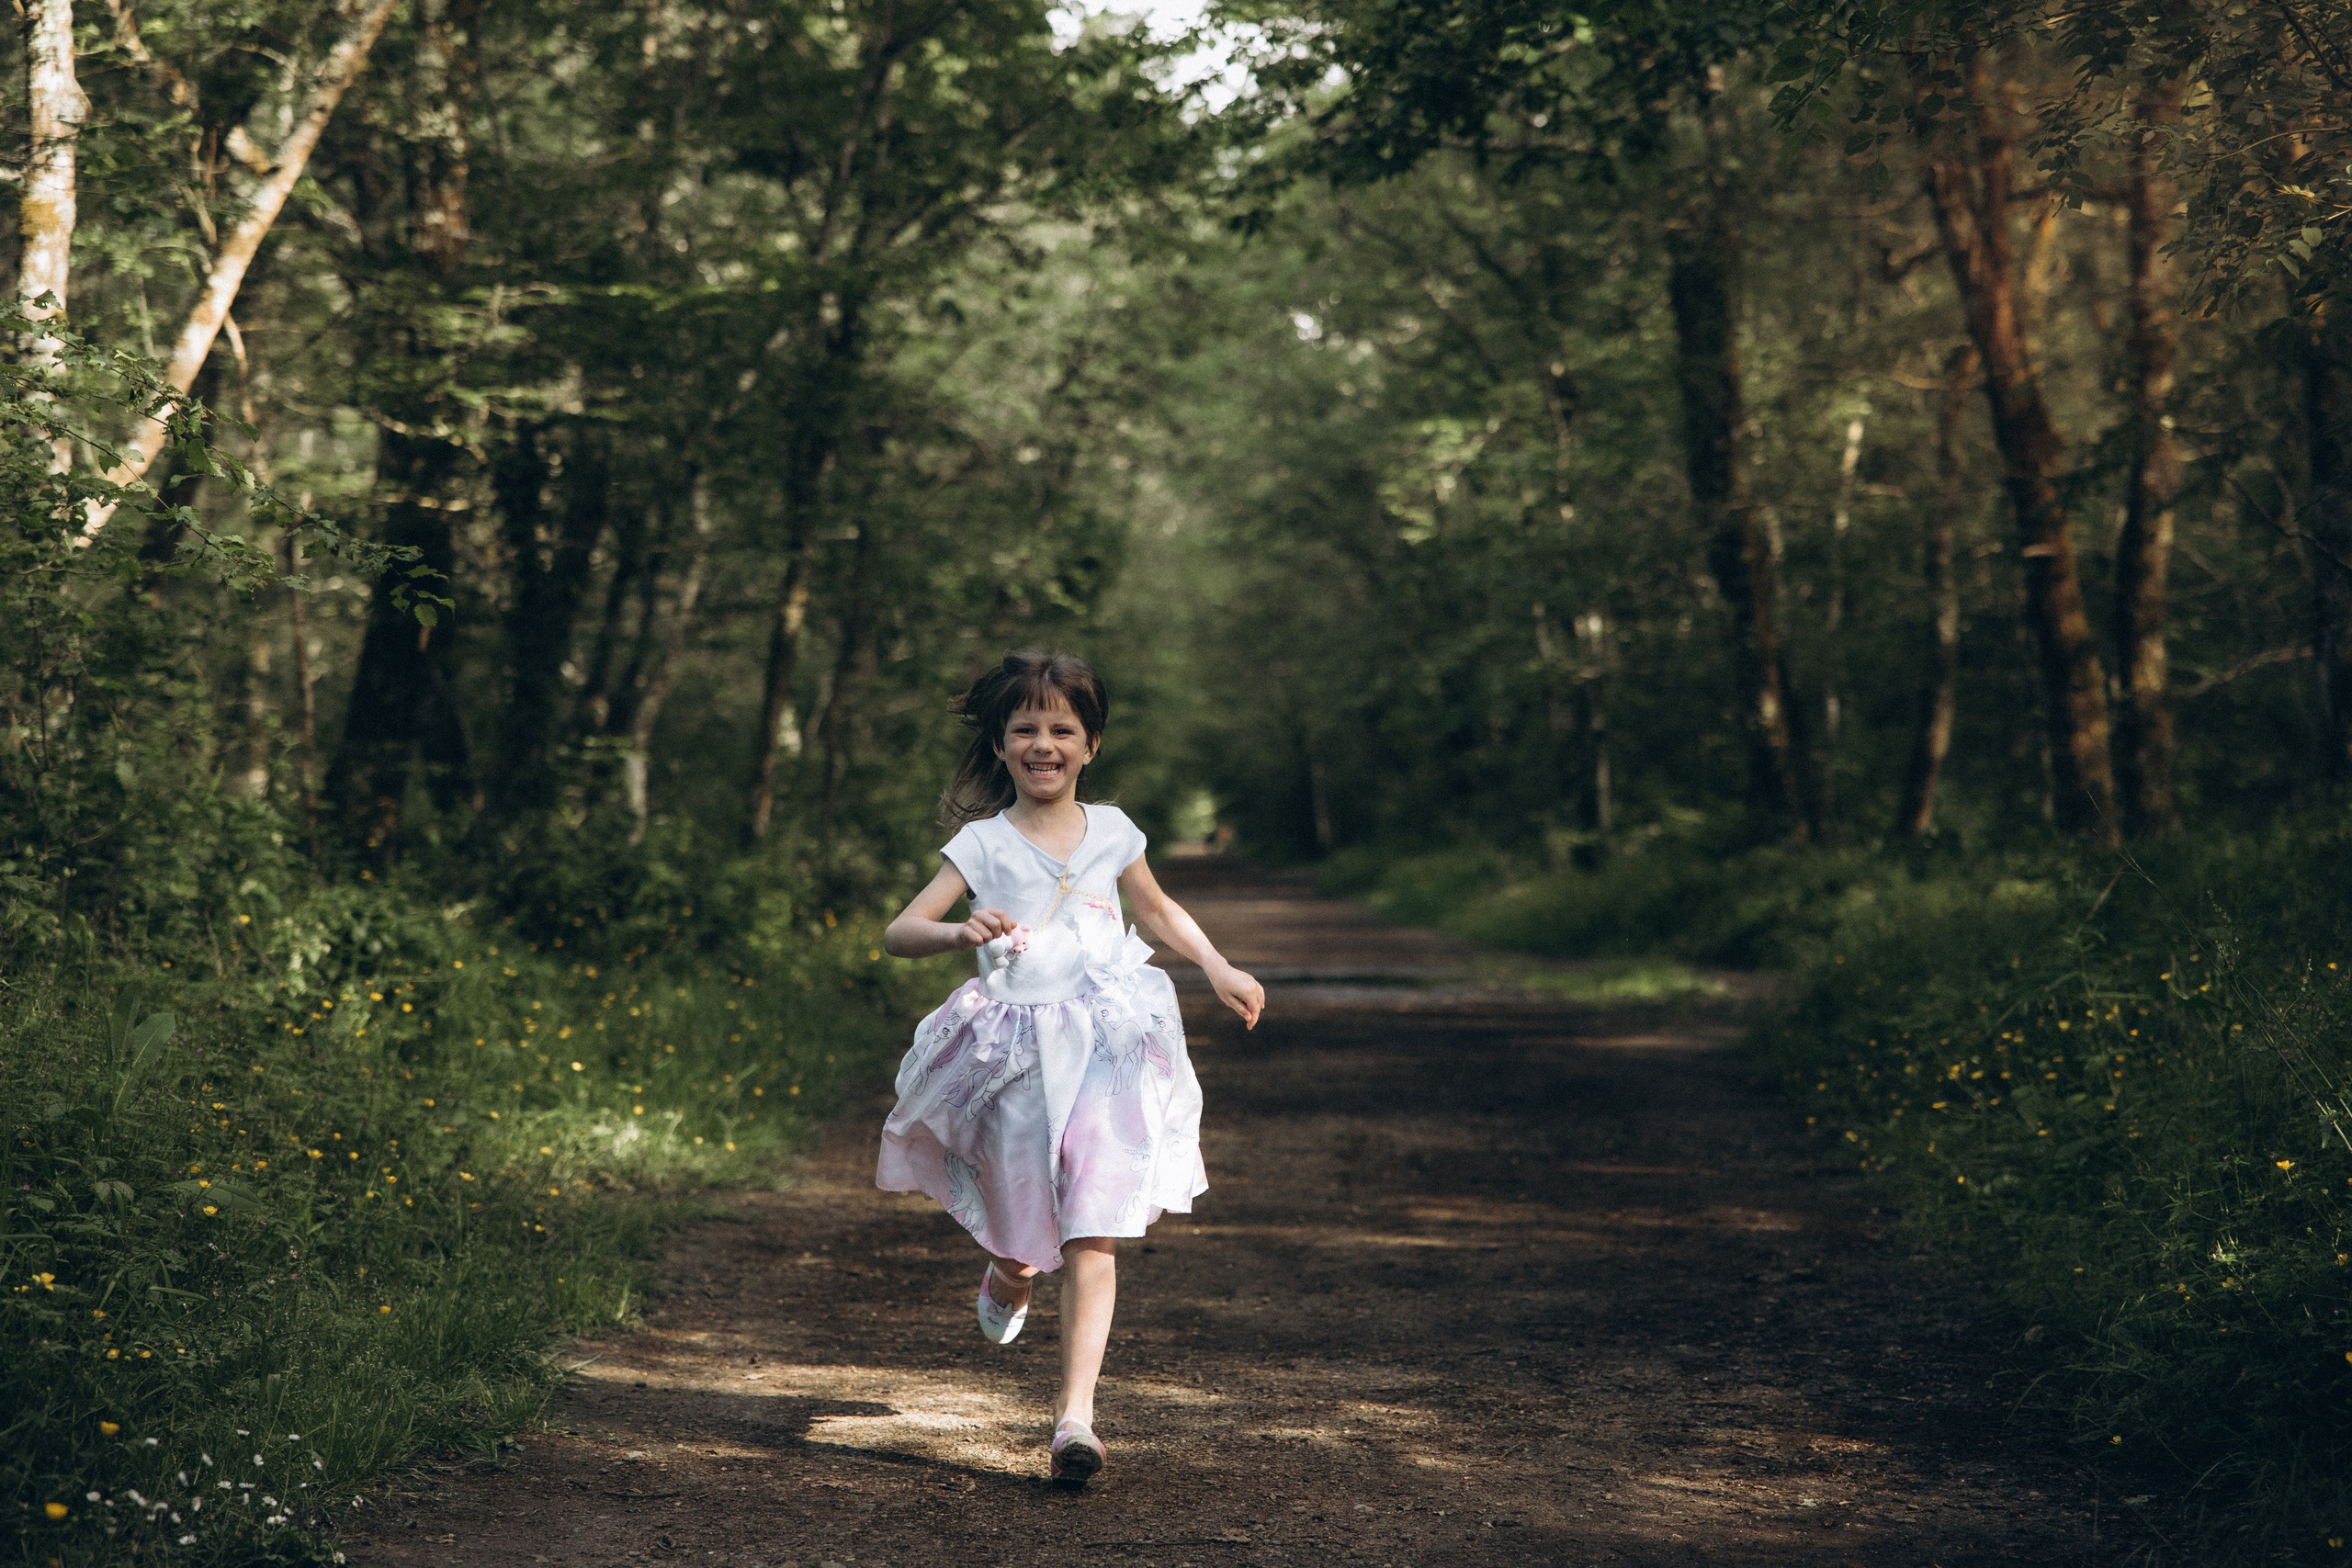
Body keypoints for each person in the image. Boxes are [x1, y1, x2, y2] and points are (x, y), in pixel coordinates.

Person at [877, 649, 1265, 1485]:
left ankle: (1074, 1419)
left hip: (1108, 1043)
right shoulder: (980, 843)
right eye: (1026, 728)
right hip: (1017, 1053)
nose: (1043, 743)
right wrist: (957, 932)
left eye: (1063, 728)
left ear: (1091, 744)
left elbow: (1156, 907)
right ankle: (1008, 1275)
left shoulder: (1115, 829)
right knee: (1027, 1243)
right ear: (1000, 743)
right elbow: (899, 930)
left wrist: (1219, 966)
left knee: (1095, 1224)